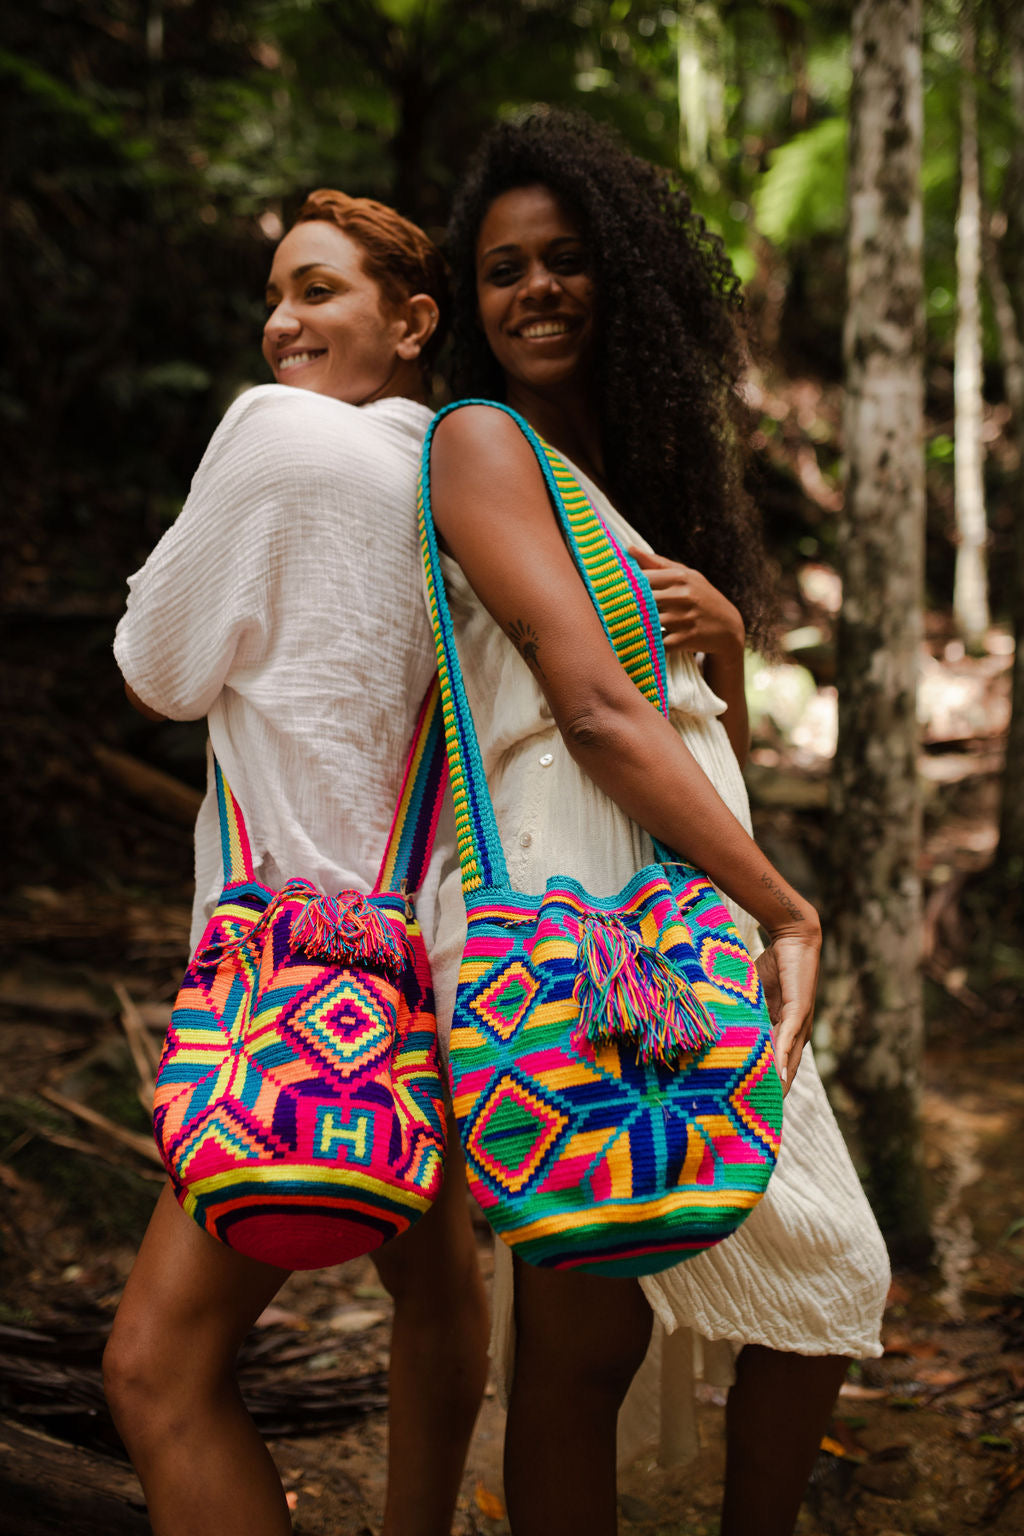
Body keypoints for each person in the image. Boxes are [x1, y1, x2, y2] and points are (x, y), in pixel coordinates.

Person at [424, 110, 891, 1536]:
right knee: (591, 1323)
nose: (537, 289)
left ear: (624, 272)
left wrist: (730, 640)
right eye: (504, 269)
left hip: (672, 886)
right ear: (470, 300)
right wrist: (786, 905)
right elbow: (589, 709)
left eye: (566, 257)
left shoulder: (632, 475)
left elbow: (693, 732)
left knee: (827, 1277)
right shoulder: (480, 441)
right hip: (570, 883)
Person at [104, 189, 489, 1536]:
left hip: (296, 987)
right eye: (273, 296)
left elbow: (157, 669)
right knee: (434, 1288)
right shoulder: (470, 470)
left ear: (414, 319)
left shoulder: (275, 432)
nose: (280, 322)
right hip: (444, 973)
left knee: (153, 1369)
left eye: (317, 290)